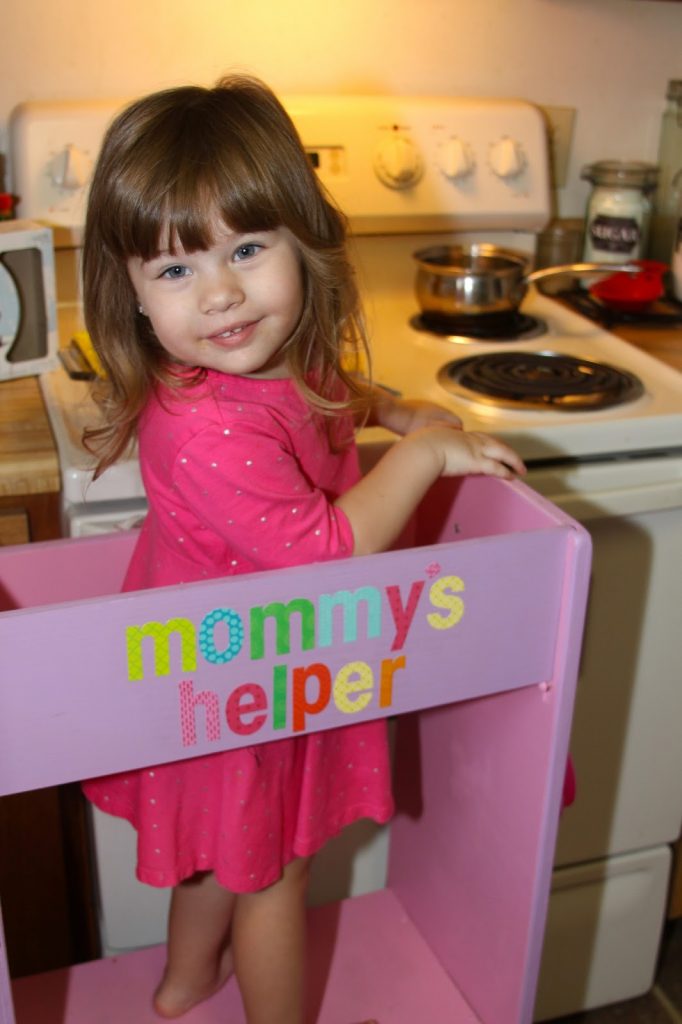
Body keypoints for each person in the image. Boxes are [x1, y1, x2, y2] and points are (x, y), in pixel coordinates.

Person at [80, 74, 525, 1023]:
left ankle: (183, 984)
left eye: (246, 248)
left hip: (232, 671)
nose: (223, 293)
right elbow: (329, 549)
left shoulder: (275, 359)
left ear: (303, 239)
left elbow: (321, 394)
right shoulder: (205, 429)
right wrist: (428, 453)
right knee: (274, 872)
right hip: (238, 676)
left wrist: (393, 407)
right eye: (175, 270)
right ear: (129, 293)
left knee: (219, 853)